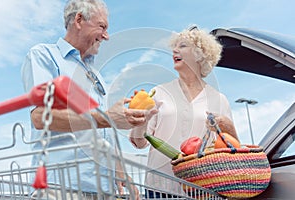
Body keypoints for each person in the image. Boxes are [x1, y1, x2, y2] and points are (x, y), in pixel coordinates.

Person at [21, 0, 154, 199]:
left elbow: (100, 133)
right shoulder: (44, 56)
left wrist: (119, 170)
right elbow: (40, 116)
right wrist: (106, 118)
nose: (107, 36)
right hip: (60, 187)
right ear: (79, 20)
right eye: (102, 26)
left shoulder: (95, 75)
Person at [129, 26, 239, 198]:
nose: (175, 50)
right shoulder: (159, 92)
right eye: (175, 46)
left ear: (200, 54)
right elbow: (139, 143)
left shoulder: (219, 99)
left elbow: (231, 146)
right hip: (160, 188)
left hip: (202, 189)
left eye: (183, 46)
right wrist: (140, 121)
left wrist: (227, 125)